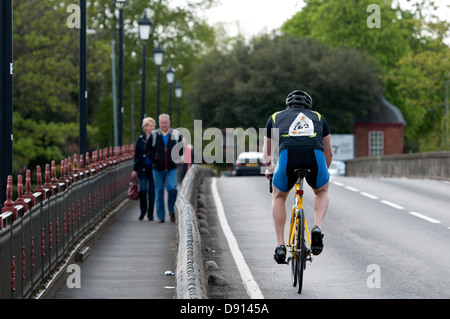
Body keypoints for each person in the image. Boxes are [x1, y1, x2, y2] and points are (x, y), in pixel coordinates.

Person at [263, 90, 333, 264]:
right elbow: (329, 152)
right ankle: (317, 227)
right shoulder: (318, 117)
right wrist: (323, 173)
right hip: (314, 158)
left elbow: (266, 154)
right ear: (308, 107)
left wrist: (270, 169)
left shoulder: (274, 117)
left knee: (278, 196)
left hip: (288, 158)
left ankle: (280, 245)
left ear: (287, 106)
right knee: (321, 192)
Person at [145, 114, 183, 223]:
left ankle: (171, 211)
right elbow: (147, 149)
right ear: (159, 123)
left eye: (165, 122)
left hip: (171, 168)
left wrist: (177, 159)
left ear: (169, 123)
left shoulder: (175, 134)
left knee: (172, 189)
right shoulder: (154, 134)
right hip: (157, 168)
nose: (164, 125)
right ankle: (161, 216)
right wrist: (154, 158)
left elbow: (181, 148)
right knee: (159, 191)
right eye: (162, 123)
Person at [132, 117, 156, 221]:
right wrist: (134, 169)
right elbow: (137, 155)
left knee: (152, 191)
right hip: (142, 168)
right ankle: (143, 211)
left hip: (153, 168)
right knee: (143, 189)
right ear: (145, 127)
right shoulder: (140, 139)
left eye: (153, 125)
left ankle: (150, 214)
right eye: (150, 125)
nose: (152, 127)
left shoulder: (156, 138)